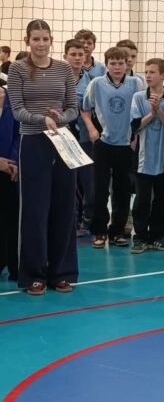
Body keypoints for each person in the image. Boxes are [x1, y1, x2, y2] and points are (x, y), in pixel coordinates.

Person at [7, 19, 79, 295]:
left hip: (62, 141)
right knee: (34, 209)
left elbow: (73, 107)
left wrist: (60, 118)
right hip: (33, 142)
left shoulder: (63, 69)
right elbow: (17, 110)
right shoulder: (18, 69)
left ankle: (61, 273)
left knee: (65, 206)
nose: (40, 44)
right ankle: (34, 275)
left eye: (45, 39)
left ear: (51, 41)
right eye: (35, 39)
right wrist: (42, 120)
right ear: (27, 41)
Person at [81, 47, 145, 248]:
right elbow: (84, 109)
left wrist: (136, 135)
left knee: (123, 190)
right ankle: (99, 231)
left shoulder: (136, 83)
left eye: (121, 63)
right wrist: (91, 128)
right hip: (103, 142)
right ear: (106, 64)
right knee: (100, 189)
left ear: (127, 64)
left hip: (126, 143)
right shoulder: (96, 84)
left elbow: (141, 111)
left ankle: (117, 231)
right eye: (113, 63)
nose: (117, 67)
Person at [130, 58, 164, 253]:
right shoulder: (139, 97)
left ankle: (157, 236)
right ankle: (140, 237)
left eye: (152, 72)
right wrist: (152, 114)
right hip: (143, 158)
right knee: (142, 199)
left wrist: (159, 111)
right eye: (146, 72)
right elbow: (135, 125)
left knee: (162, 199)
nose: (147, 75)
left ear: (163, 75)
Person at [63, 39, 93, 236]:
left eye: (80, 54)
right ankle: (69, 221)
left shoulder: (91, 81)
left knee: (88, 181)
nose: (77, 58)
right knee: (68, 182)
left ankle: (87, 221)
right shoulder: (58, 79)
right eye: (73, 54)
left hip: (85, 138)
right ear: (65, 56)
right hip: (64, 137)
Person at [0, 85, 19, 282]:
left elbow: (19, 135)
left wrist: (13, 162)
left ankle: (15, 264)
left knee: (12, 219)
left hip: (10, 170)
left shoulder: (12, 102)